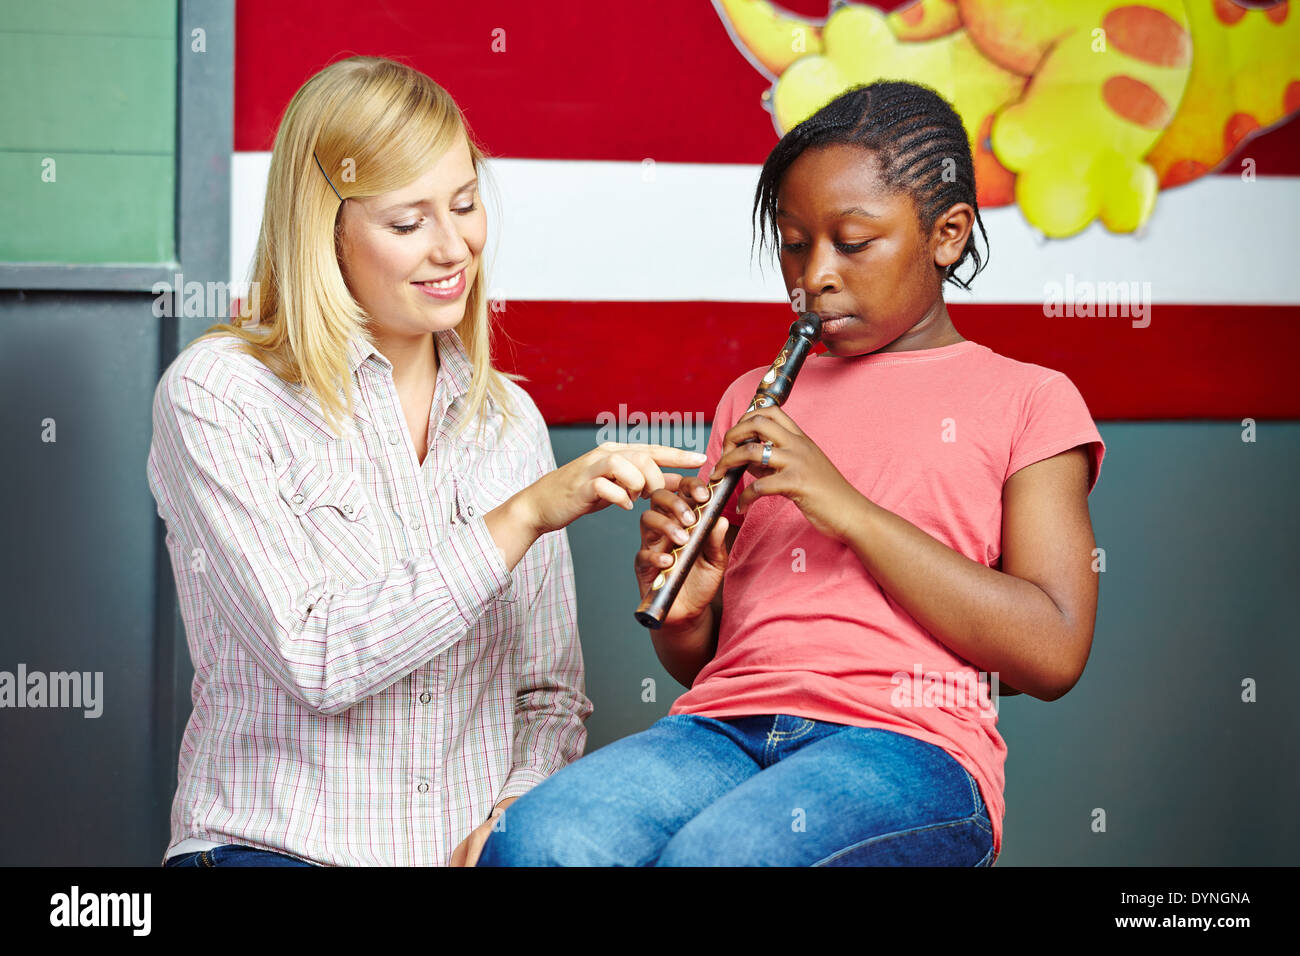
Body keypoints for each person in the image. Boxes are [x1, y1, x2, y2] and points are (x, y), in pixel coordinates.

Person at [477, 79, 1106, 866]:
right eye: (794, 242)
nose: (815, 274)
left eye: (853, 241)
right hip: (723, 726)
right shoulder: (753, 396)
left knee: (721, 858)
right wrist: (687, 610)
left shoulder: (1030, 400)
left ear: (946, 235)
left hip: (908, 748)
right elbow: (703, 660)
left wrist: (847, 508)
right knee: (536, 842)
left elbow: (1053, 651)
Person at [147, 56, 704, 867]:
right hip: (272, 847)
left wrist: (516, 818)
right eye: (407, 223)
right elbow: (318, 659)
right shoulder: (218, 395)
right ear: (324, 229)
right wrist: (518, 518)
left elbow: (548, 698)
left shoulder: (507, 420)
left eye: (467, 204)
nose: (453, 248)